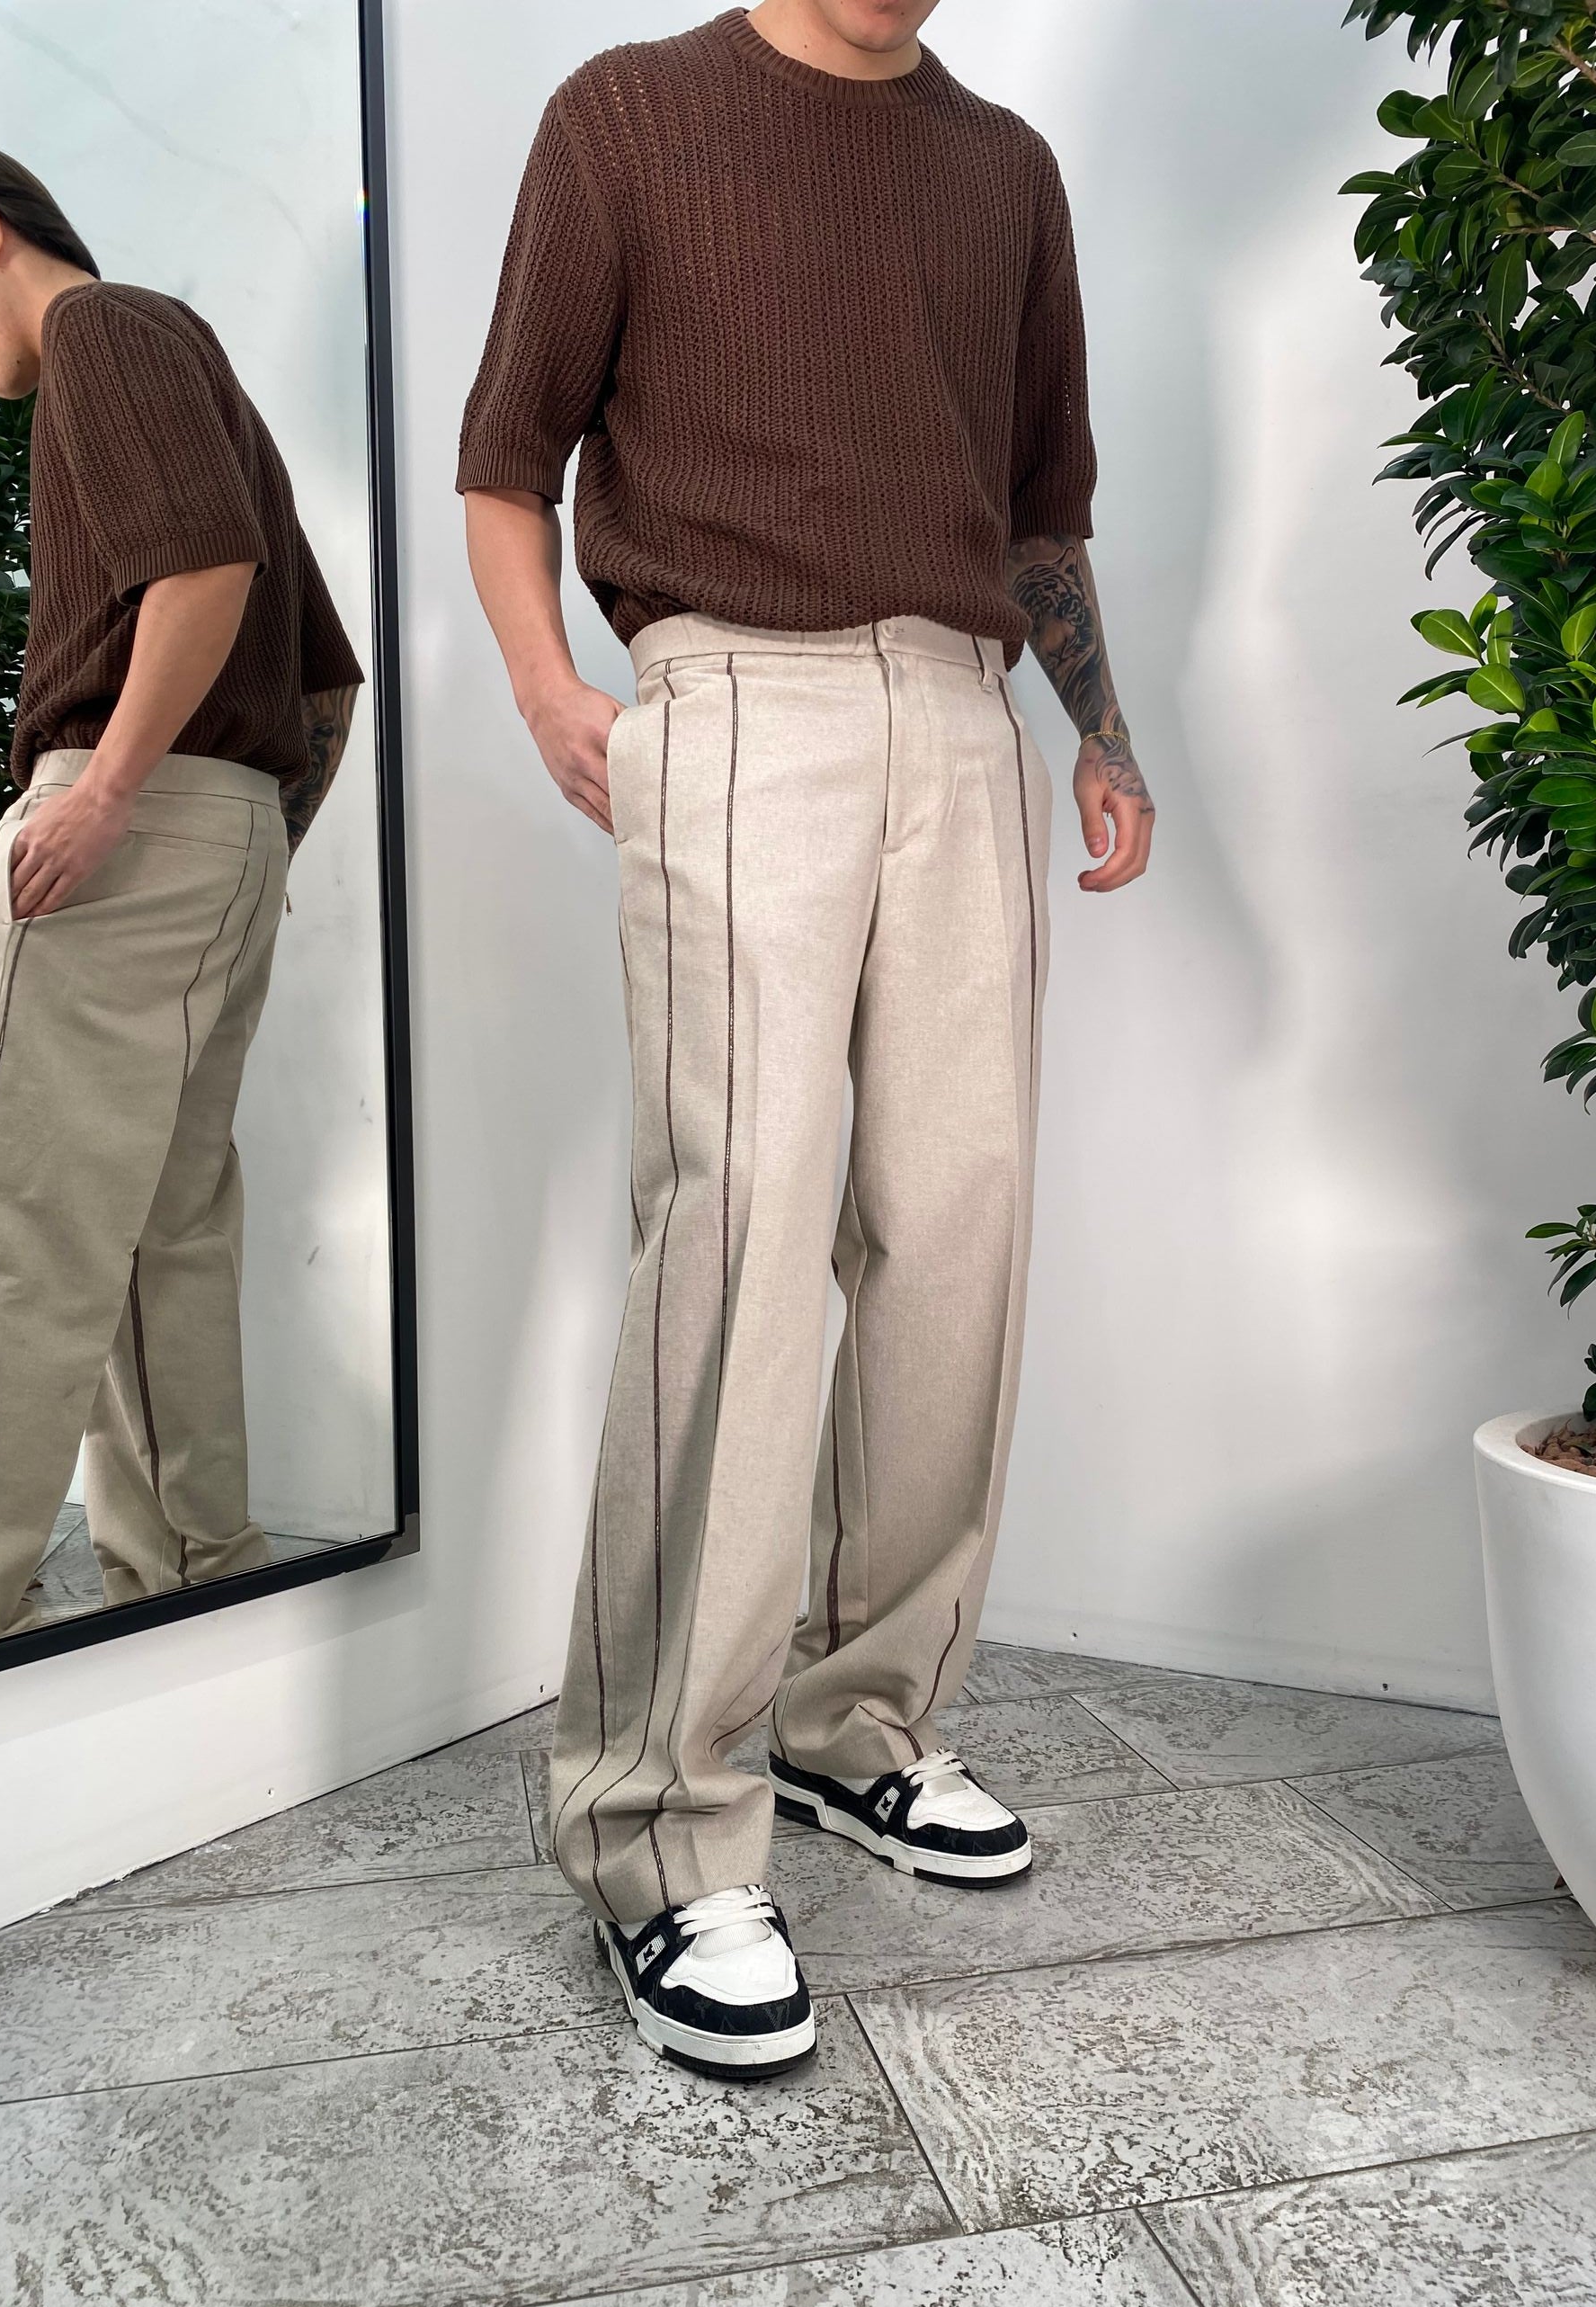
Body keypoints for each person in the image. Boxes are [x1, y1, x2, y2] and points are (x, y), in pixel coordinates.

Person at [461, 0, 1152, 2081]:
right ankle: (659, 1826)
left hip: (961, 711)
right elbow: (507, 455)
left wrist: (1102, 731)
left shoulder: (1004, 170)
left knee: (958, 1229)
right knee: (743, 1234)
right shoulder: (629, 119)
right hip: (732, 696)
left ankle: (863, 1717)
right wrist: (549, 686)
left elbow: (1037, 510)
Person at [0, 144, 364, 1648]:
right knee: (157, 1234)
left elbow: (201, 570)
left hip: (120, 821)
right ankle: (197, 1581)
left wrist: (116, 796)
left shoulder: (103, 330)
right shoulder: (174, 352)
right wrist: (239, 846)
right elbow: (324, 682)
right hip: (225, 830)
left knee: (4, 1212)